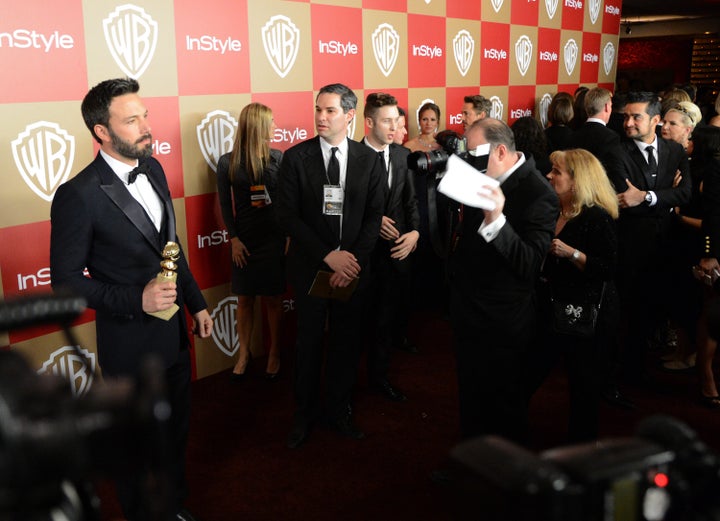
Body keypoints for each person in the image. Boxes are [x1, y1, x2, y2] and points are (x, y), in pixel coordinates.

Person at [50, 77, 213, 521]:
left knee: (176, 432)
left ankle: (174, 507)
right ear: (101, 131)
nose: (146, 126)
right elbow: (65, 283)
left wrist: (196, 302)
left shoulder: (154, 168)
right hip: (129, 345)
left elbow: (171, 249)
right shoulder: (77, 195)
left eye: (145, 114)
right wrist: (134, 298)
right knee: (134, 448)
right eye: (132, 119)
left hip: (175, 336)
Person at [276, 83, 384, 449]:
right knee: (307, 344)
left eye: (330, 111)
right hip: (310, 267)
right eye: (318, 110)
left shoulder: (369, 159)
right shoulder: (295, 158)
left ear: (350, 115)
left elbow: (373, 217)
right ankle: (303, 414)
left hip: (352, 269)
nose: (321, 117)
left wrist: (350, 262)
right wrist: (327, 255)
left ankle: (340, 411)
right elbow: (287, 217)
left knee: (346, 343)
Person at [447, 118, 558, 444]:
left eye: (475, 156)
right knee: (470, 395)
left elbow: (528, 264)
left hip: (504, 321)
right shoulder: (481, 177)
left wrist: (496, 220)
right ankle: (469, 459)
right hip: (467, 310)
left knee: (504, 404)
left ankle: (505, 476)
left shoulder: (539, 194)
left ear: (499, 151)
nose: (470, 163)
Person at [533, 149, 620, 442]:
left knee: (584, 388)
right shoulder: (555, 208)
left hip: (585, 317)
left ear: (576, 180)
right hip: (551, 307)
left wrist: (572, 254)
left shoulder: (596, 217)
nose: (549, 176)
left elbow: (607, 268)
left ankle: (582, 453)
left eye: (557, 172)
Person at [612, 91, 691, 385]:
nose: (628, 123)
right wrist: (664, 198)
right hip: (630, 247)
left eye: (636, 117)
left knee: (656, 310)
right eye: (626, 117)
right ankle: (624, 374)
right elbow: (623, 197)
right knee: (629, 313)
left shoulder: (675, 152)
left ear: (655, 120)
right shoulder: (617, 151)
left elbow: (685, 193)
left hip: (667, 246)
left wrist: (646, 196)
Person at [216, 102, 285, 381]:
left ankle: (274, 352)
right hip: (244, 240)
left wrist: (289, 236)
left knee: (273, 300)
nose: (275, 127)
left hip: (274, 238)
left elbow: (288, 202)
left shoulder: (278, 158)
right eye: (271, 122)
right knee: (244, 299)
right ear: (258, 126)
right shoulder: (227, 162)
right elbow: (224, 204)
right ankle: (244, 353)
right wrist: (233, 238)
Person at [361, 92, 420, 402]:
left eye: (396, 120)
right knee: (356, 323)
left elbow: (410, 200)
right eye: (388, 121)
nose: (395, 126)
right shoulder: (350, 156)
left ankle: (379, 378)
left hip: (397, 252)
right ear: (369, 122)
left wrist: (416, 233)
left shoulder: (400, 155)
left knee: (385, 321)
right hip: (361, 257)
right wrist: (372, 220)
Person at [692, 125, 720, 407]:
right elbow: (713, 216)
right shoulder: (715, 169)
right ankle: (706, 376)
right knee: (714, 312)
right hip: (718, 252)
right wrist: (711, 253)